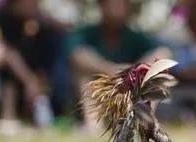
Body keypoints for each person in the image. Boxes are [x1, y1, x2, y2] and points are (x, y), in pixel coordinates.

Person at [66, 0, 167, 131]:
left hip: (130, 94)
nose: (116, 9)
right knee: (84, 73)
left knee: (154, 73)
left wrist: (136, 70)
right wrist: (110, 70)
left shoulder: (135, 37)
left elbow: (164, 53)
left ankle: (143, 122)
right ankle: (92, 126)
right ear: (102, 6)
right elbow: (77, 56)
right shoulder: (85, 33)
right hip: (99, 94)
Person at [0, 0, 63, 127]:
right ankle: (8, 116)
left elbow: (46, 61)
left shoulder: (45, 28)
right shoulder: (4, 21)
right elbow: (8, 53)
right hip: (13, 76)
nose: (32, 5)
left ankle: (39, 119)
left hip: (39, 77)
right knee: (9, 76)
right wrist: (29, 81)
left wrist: (37, 82)